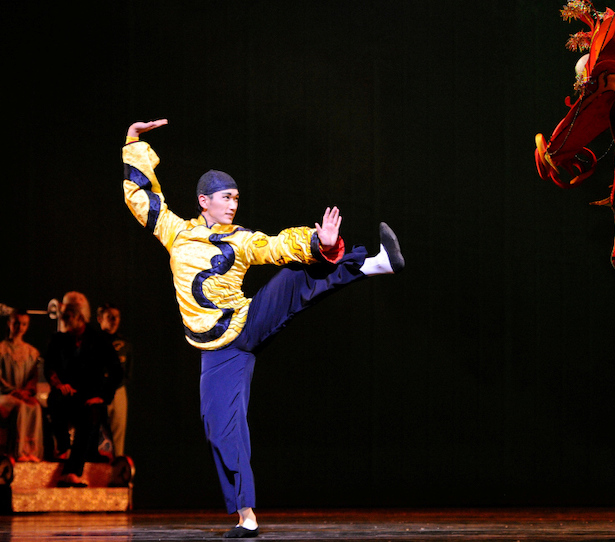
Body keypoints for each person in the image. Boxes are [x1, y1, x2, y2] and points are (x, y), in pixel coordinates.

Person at [121, 119, 404, 538]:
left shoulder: (242, 238)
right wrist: (133, 142)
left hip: (246, 323)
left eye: (236, 198)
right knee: (220, 427)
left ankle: (376, 263)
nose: (233, 205)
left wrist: (318, 242)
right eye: (226, 198)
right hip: (218, 352)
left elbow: (274, 245)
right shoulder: (176, 233)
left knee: (294, 278)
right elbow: (141, 198)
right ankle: (246, 517)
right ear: (204, 201)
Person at [45, 293, 123, 487]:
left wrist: (102, 396)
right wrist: (59, 384)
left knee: (91, 415)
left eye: (68, 315)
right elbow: (48, 367)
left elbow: (116, 371)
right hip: (65, 396)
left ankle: (73, 471)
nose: (63, 320)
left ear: (79, 316)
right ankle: (62, 445)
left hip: (88, 398)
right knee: (53, 400)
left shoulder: (98, 340)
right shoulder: (59, 340)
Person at [0, 309, 44, 462]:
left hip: (23, 394)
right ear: (9, 323)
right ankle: (17, 451)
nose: (20, 327)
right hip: (5, 395)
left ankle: (32, 451)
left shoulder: (32, 352)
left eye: (24, 324)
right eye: (16, 323)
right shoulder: (1, 349)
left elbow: (33, 377)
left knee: (36, 407)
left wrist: (27, 391)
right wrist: (13, 391)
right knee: (20, 406)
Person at [98, 303, 132, 458]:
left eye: (116, 317)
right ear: (100, 319)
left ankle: (117, 466)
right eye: (109, 317)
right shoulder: (93, 341)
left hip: (118, 390)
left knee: (118, 432)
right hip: (98, 391)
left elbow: (127, 371)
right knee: (97, 431)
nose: (114, 320)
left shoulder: (124, 344)